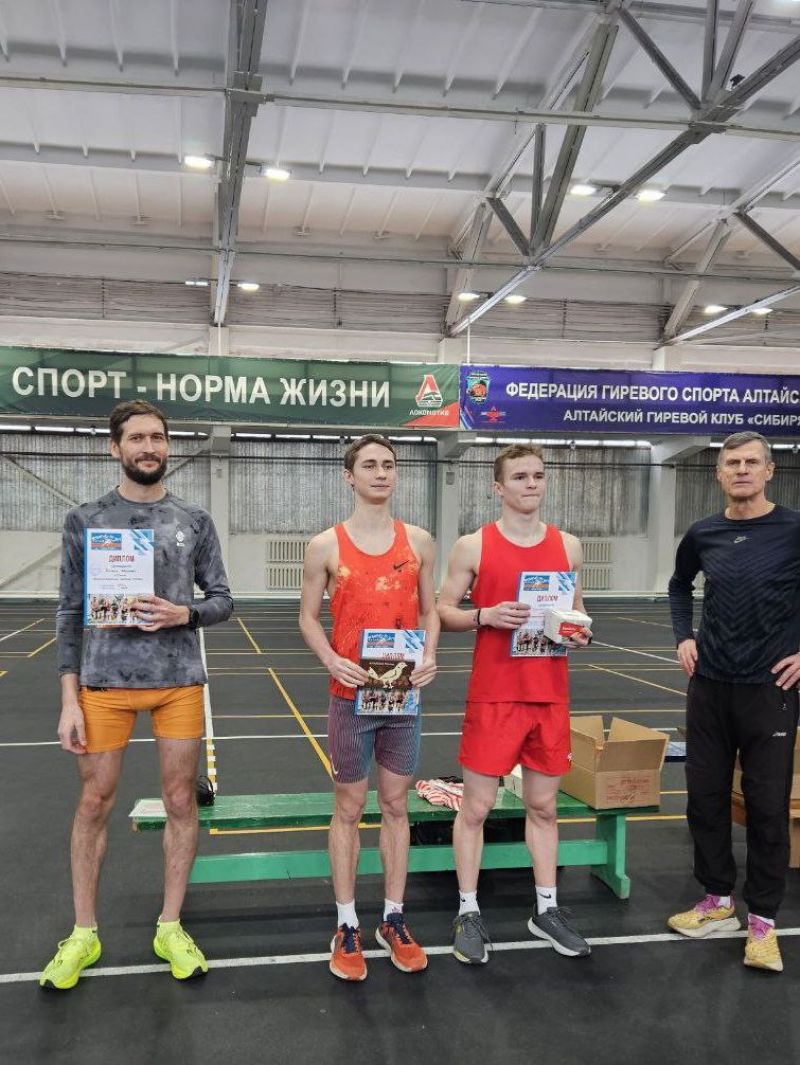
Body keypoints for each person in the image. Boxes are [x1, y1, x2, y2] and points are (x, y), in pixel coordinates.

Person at [40, 401, 233, 990]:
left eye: (157, 437)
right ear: (115, 447)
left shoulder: (193, 520)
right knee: (94, 804)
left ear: (168, 446)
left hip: (178, 683)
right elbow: (69, 612)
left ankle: (170, 926)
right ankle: (84, 932)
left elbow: (222, 600)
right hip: (103, 685)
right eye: (136, 438)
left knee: (180, 802)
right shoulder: (85, 519)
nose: (148, 447)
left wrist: (184, 613)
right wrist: (69, 699)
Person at [438, 444, 592, 965]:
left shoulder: (568, 546)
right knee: (476, 808)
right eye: (520, 476)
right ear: (498, 487)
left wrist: (579, 632)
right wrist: (484, 615)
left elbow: (577, 612)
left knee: (544, 807)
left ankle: (546, 909)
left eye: (538, 476)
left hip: (549, 697)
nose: (531, 484)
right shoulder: (473, 546)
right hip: (496, 696)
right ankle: (467, 911)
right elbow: (442, 610)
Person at [299, 434, 439, 981]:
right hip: (349, 698)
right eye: (370, 465)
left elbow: (430, 611)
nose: (381, 473)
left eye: (389, 464)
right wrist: (332, 659)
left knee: (397, 805)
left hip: (402, 697)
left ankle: (394, 919)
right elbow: (308, 618)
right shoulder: (324, 546)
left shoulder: (419, 541)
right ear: (349, 476)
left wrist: (430, 656)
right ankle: (346, 923)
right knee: (350, 808)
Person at [667, 431, 800, 973]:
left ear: (769, 471)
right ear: (719, 473)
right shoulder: (704, 533)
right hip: (710, 688)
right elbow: (679, 585)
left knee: (767, 808)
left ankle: (763, 922)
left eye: (751, 462)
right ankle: (717, 900)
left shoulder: (793, 529)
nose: (741, 470)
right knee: (705, 800)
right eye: (732, 463)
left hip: (770, 691)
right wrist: (684, 636)